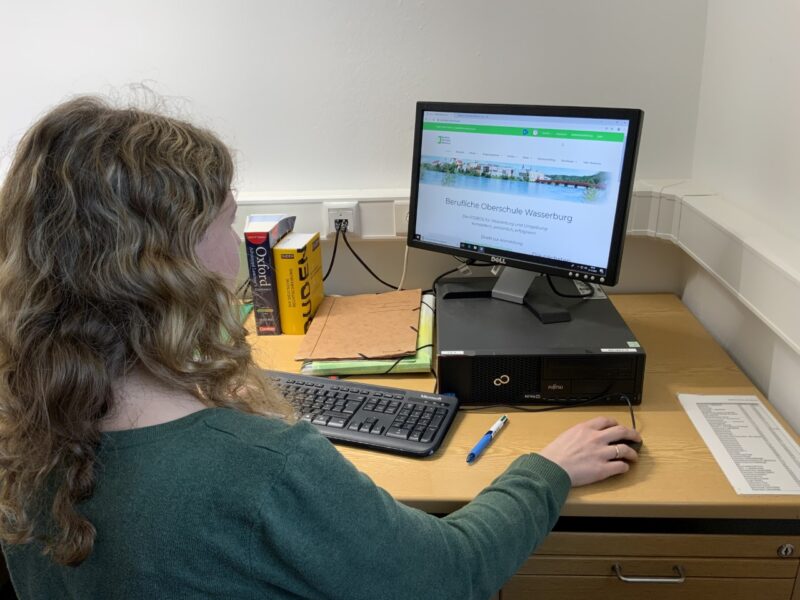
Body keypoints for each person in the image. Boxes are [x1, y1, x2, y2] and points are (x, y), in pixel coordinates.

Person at [0, 96, 641, 599]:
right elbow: (452, 574)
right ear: (168, 263)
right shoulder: (262, 468)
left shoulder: (20, 426)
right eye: (227, 221)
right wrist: (547, 470)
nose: (236, 246)